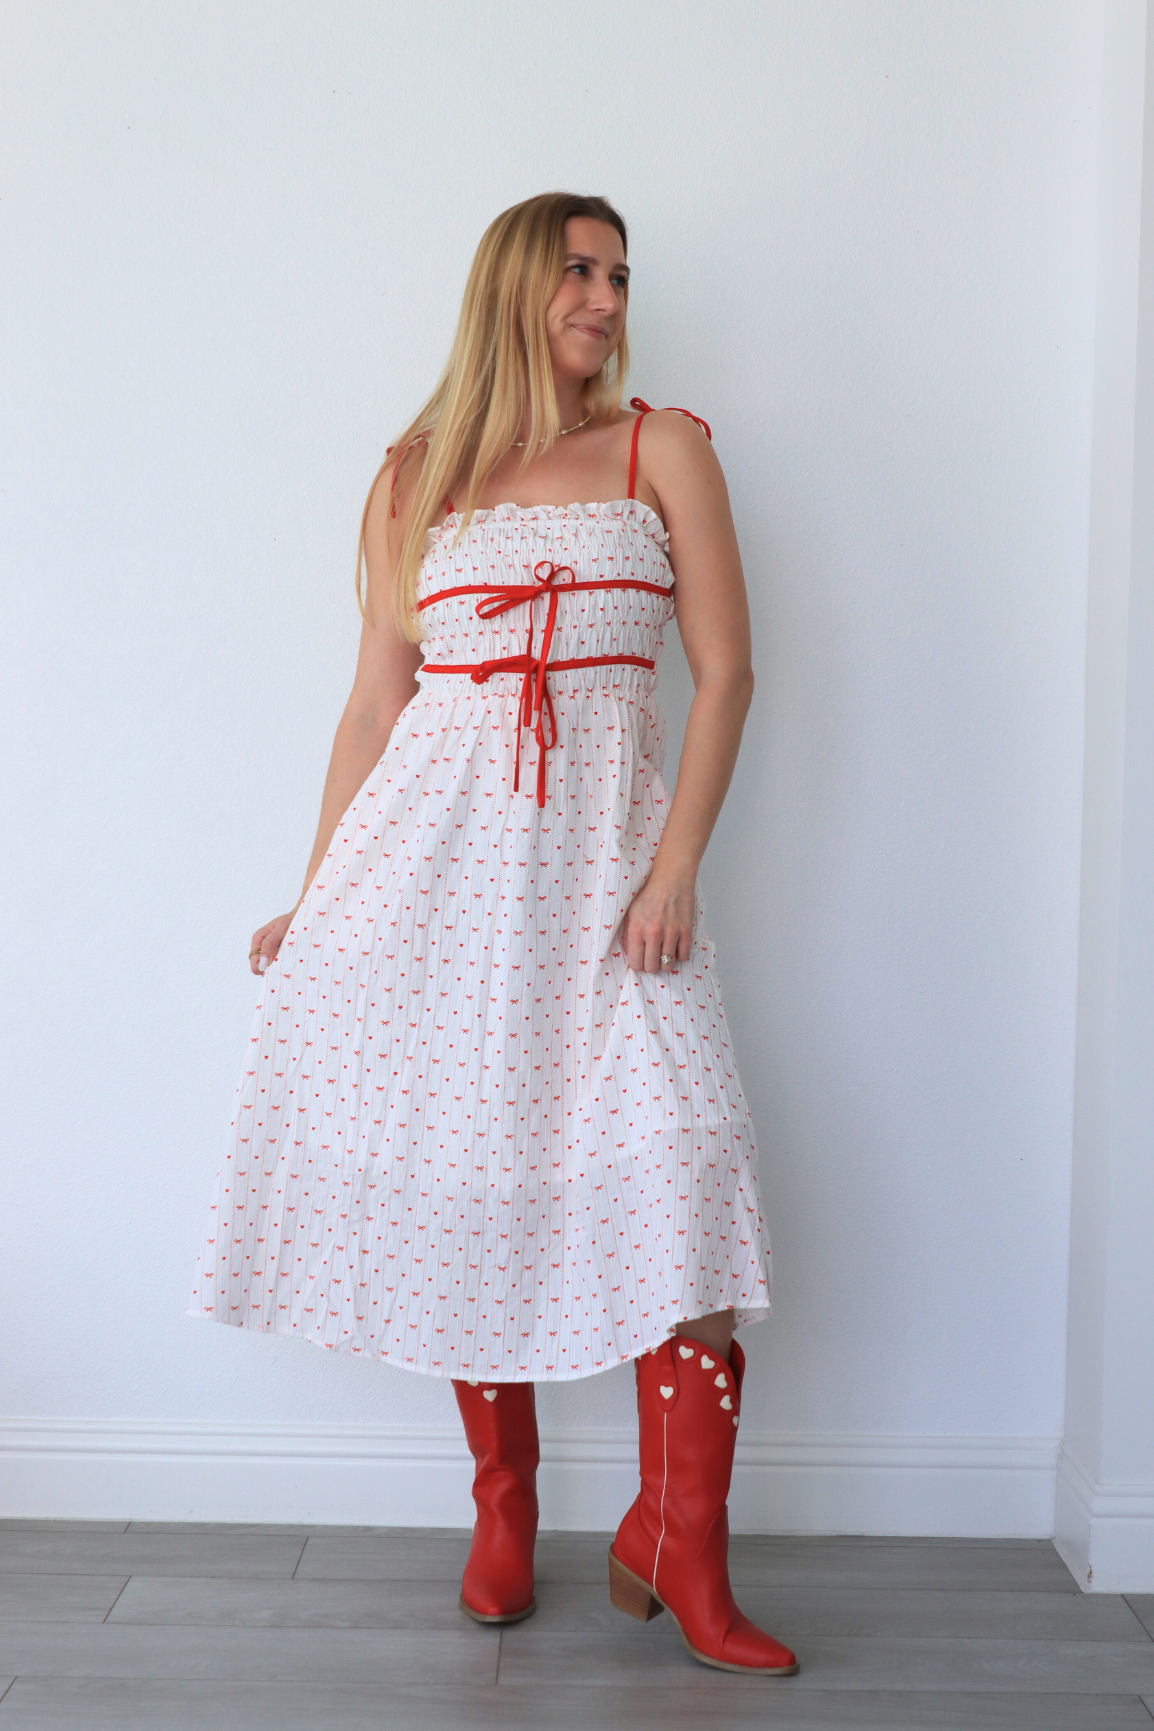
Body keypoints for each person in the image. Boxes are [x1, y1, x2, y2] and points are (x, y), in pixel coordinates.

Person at [187, 191, 797, 1677]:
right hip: (433, 882)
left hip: (607, 888)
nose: (605, 295)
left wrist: (673, 871)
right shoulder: (416, 475)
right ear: (514, 286)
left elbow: (724, 677)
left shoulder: (665, 450)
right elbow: (373, 706)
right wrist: (317, 888)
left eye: (618, 273)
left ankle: (678, 1546)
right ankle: (504, 1506)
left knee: (690, 1169)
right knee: (468, 1181)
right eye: (579, 270)